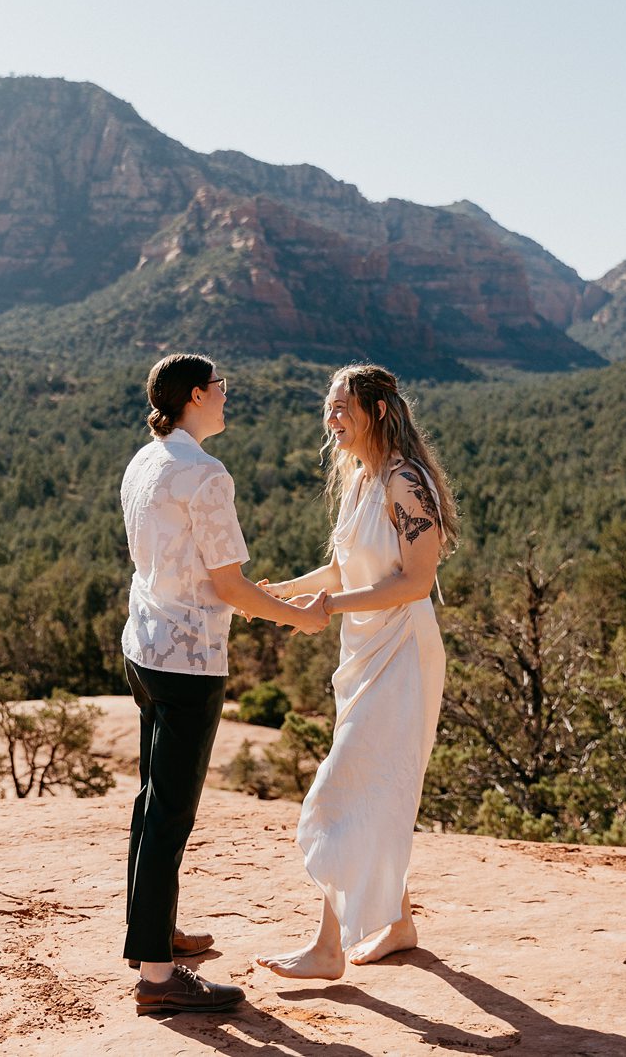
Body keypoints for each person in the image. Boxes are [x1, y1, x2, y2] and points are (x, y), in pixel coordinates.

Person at [121, 353, 329, 1015]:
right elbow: (229, 584)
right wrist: (300, 615)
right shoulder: (205, 474)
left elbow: (186, 568)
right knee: (171, 811)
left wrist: (252, 599)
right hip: (187, 660)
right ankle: (158, 976)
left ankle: (153, 933)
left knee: (152, 797)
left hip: (144, 646)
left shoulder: (145, 460)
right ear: (193, 395)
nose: (226, 397)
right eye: (221, 388)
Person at [254, 363, 459, 980]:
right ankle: (396, 923)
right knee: (380, 783)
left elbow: (415, 581)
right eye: (328, 406)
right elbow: (344, 571)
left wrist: (328, 608)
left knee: (344, 790)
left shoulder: (405, 482)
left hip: (402, 651)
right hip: (363, 651)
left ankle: (327, 948)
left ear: (374, 410)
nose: (331, 417)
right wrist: (285, 595)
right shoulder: (363, 481)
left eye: (342, 406)